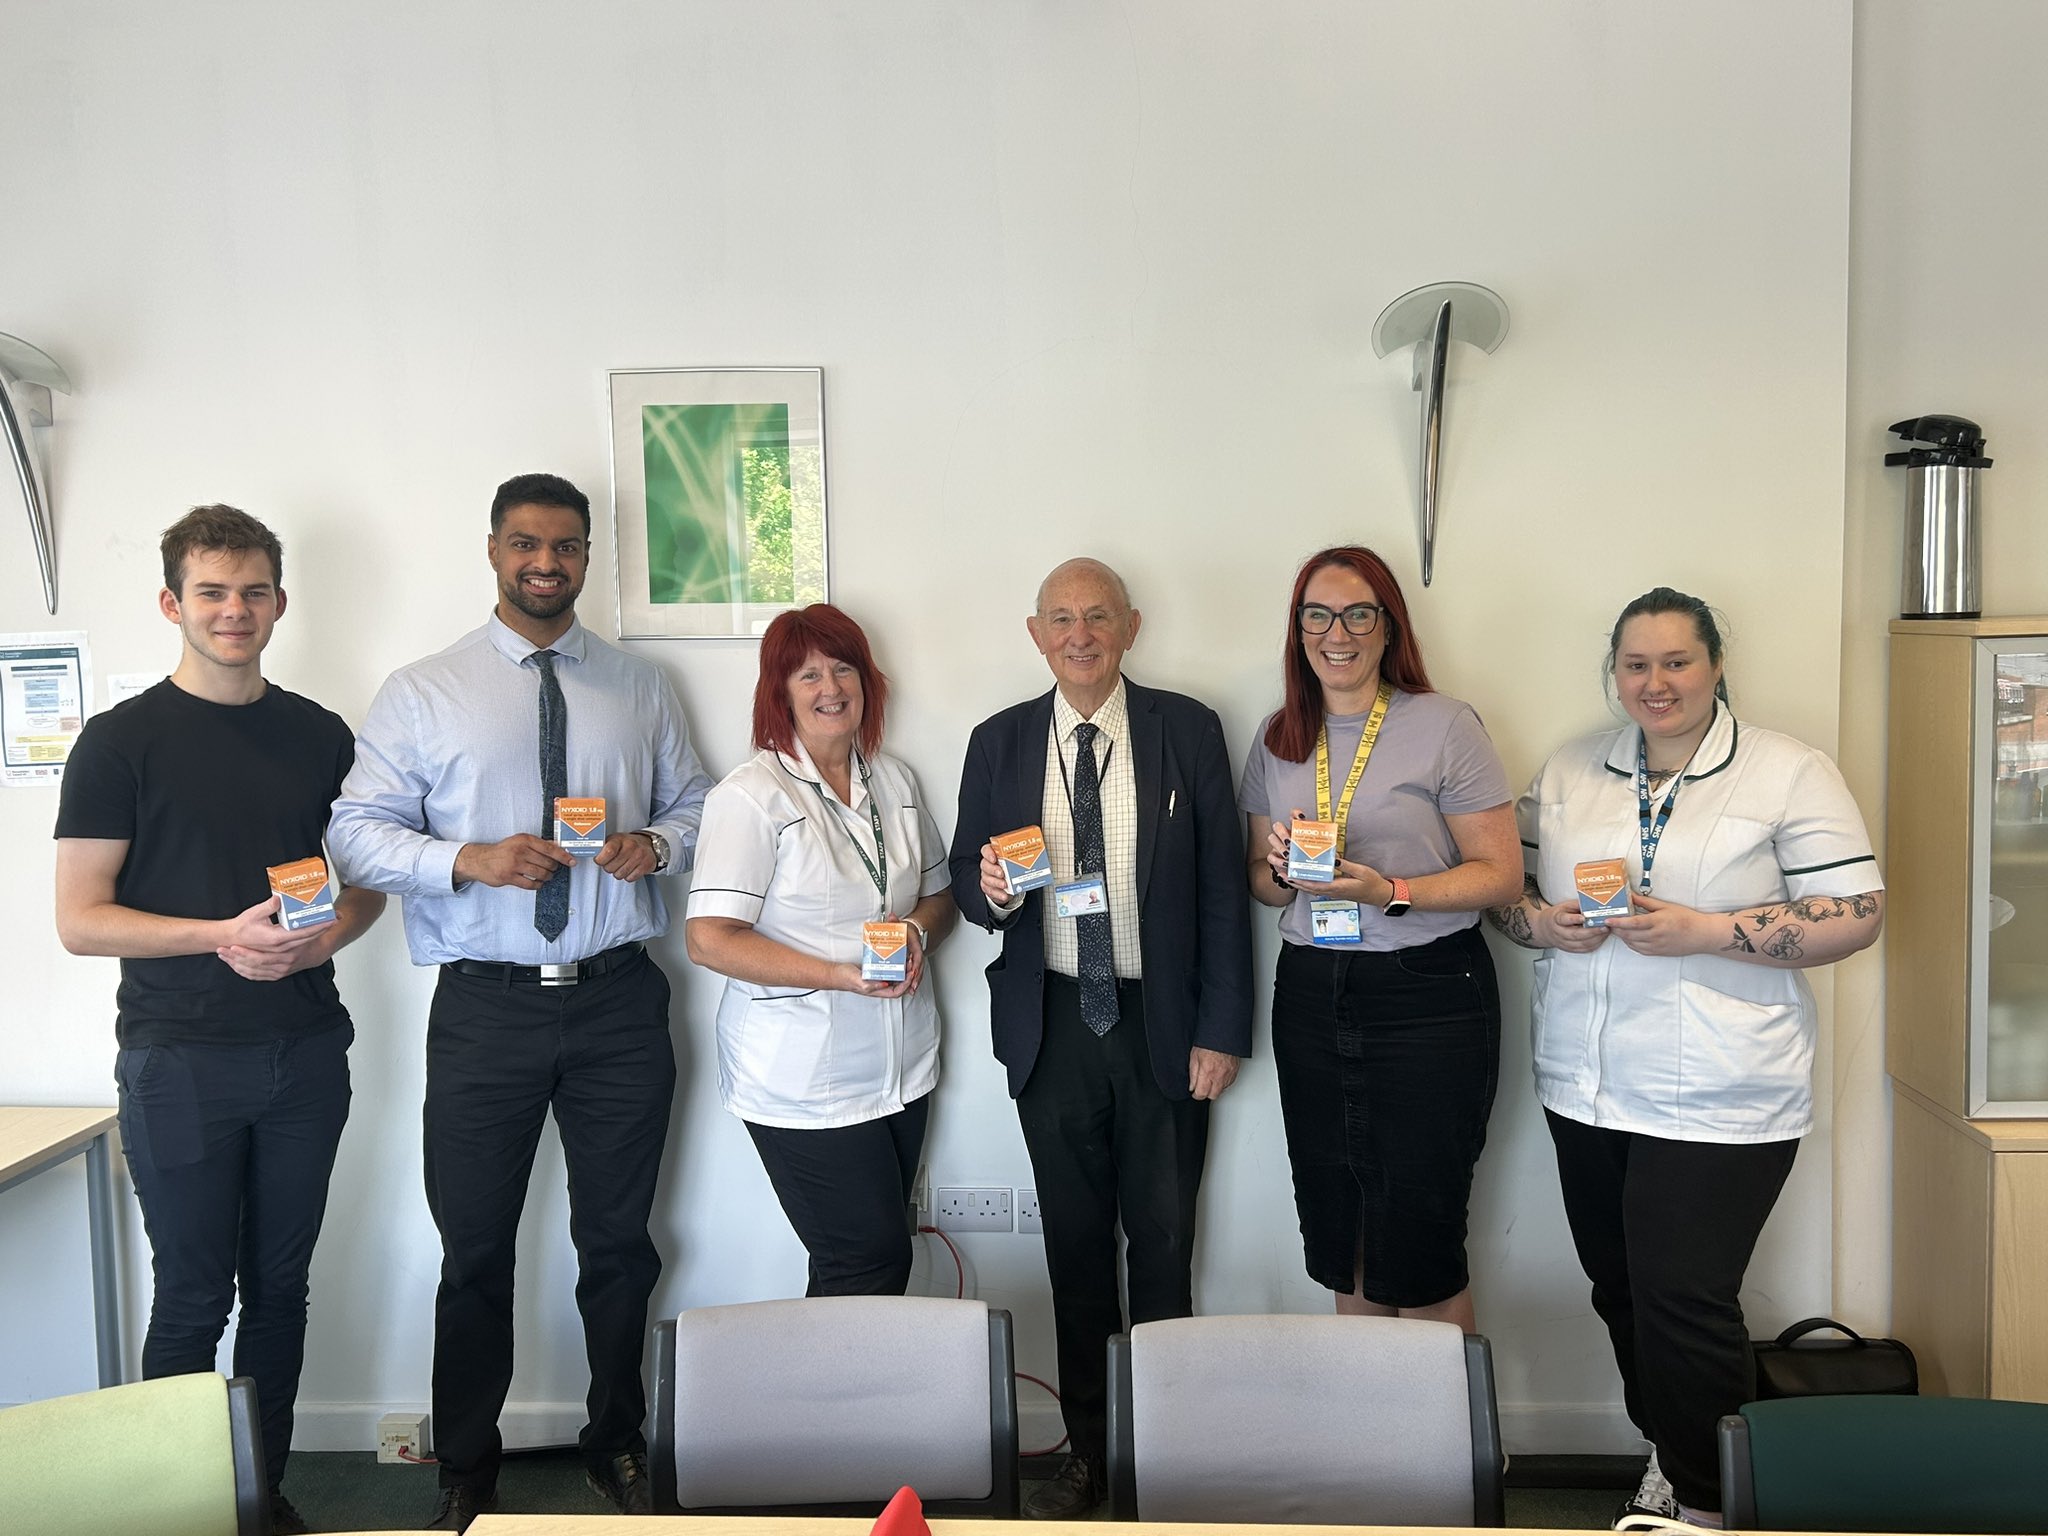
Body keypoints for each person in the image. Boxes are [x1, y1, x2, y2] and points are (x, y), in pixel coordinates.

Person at [327, 472, 712, 1532]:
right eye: (527, 544)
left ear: (588, 557)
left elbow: (693, 804)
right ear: (493, 549)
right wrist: (468, 860)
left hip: (618, 1004)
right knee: (476, 1250)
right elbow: (355, 833)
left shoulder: (639, 687)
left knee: (621, 1242)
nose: (547, 562)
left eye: (568, 547)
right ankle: (467, 1465)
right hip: (485, 1009)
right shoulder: (423, 689)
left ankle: (615, 1441)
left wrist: (656, 845)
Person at [1487, 587, 1883, 1528]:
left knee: (1683, 1299)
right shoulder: (1573, 768)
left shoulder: (1789, 772)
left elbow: (1858, 915)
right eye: (1636, 665)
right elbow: (1506, 893)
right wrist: (1540, 923)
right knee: (1621, 1289)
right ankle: (1679, 1458)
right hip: (1586, 1086)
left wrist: (1711, 929)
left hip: (1721, 1089)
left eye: (1676, 662)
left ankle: (1708, 1505)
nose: (1655, 683)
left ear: (1714, 666)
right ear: (1614, 674)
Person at [54, 505, 384, 1536]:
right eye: (212, 592)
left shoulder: (321, 734)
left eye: (251, 592)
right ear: (172, 604)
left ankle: (260, 1494)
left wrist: (326, 939)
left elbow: (365, 882)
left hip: (303, 1052)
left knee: (280, 1291)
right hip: (178, 1061)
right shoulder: (119, 743)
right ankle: (176, 1509)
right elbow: (80, 918)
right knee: (194, 1297)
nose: (233, 610)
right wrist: (218, 936)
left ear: (279, 603)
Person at [949, 556, 1252, 1519]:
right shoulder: (998, 742)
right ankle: (1089, 1448)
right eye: (1062, 619)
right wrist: (990, 894)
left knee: (1163, 1246)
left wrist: (1221, 1029)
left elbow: (1219, 892)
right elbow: (967, 875)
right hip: (1053, 1025)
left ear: (1131, 626)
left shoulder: (1186, 728)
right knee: (1075, 1251)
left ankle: (1165, 1447)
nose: (1080, 634)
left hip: (1160, 1026)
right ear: (1035, 634)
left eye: (1098, 616)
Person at [1242, 545, 1521, 1334]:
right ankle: (1371, 1448)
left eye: (1359, 612)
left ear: (1387, 625)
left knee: (1423, 1242)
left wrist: (1390, 891)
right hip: (1311, 995)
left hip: (1428, 997)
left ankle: (1454, 1454)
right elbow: (1263, 887)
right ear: (1298, 630)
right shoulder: (1277, 736)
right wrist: (1278, 871)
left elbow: (1499, 874)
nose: (1339, 632)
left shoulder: (1444, 725)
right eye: (1319, 614)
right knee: (1342, 1232)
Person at [685, 604, 956, 1295]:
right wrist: (838, 973)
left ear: (867, 681)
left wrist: (916, 932)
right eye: (807, 674)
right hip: (802, 1076)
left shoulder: (892, 780)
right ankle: (828, 1403)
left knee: (876, 1253)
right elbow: (709, 939)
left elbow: (939, 898)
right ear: (780, 694)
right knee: (865, 1261)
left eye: (843, 668)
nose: (830, 687)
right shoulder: (750, 797)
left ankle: (850, 1401)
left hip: (901, 1066)